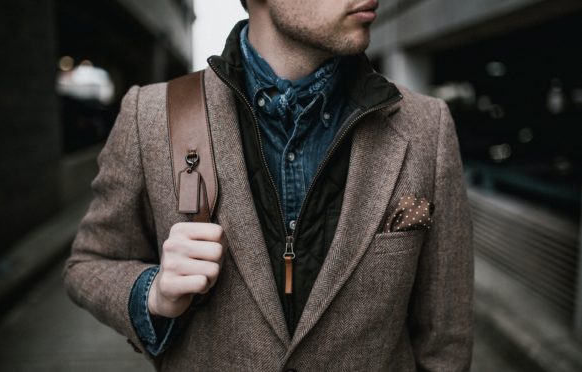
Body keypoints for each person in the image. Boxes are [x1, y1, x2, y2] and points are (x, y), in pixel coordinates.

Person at [64, 0, 474, 370]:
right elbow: (89, 264)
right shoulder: (149, 115)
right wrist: (152, 294)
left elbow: (446, 341)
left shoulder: (427, 126)